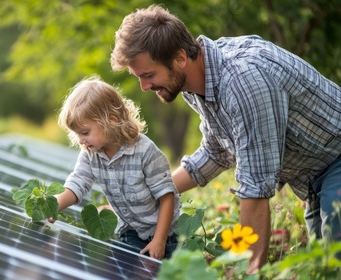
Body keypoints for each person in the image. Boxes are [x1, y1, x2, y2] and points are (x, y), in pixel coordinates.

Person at [110, 4, 341, 273]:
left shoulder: (244, 82)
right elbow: (216, 152)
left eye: (149, 75)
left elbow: (256, 186)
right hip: (315, 177)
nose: (145, 87)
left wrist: (245, 270)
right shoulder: (194, 83)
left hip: (335, 161)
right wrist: (141, 198)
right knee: (320, 268)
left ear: (180, 58)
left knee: (332, 266)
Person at [49, 75, 181, 260]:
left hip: (162, 231)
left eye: (85, 132)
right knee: (121, 266)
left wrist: (159, 240)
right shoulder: (90, 154)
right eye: (77, 134)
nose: (80, 140)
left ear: (110, 120)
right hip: (130, 230)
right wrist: (54, 205)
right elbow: (78, 183)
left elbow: (167, 196)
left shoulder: (145, 151)